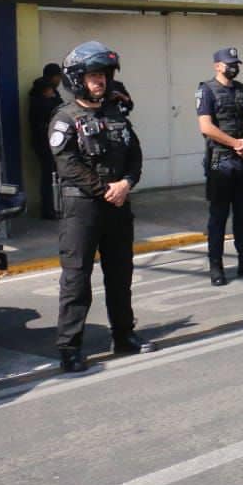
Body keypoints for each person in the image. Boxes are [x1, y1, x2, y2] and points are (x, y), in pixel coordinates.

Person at [50, 41, 153, 372]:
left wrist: (125, 184)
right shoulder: (65, 118)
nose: (101, 81)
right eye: (94, 75)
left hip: (118, 205)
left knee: (121, 274)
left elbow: (134, 154)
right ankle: (70, 347)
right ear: (78, 78)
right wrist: (104, 189)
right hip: (82, 209)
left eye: (104, 75)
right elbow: (68, 164)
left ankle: (124, 336)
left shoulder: (114, 112)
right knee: (77, 279)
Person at [197, 47, 243, 287]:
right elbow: (206, 127)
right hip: (222, 161)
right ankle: (216, 266)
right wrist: (234, 143)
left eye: (236, 63)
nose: (234, 67)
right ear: (217, 65)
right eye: (229, 63)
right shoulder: (206, 90)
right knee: (219, 216)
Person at [28, 62, 65, 220]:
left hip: (52, 140)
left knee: (54, 175)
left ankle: (55, 207)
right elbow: (47, 114)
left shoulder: (52, 93)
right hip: (44, 142)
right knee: (48, 176)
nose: (60, 80)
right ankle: (49, 210)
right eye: (58, 77)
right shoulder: (39, 96)